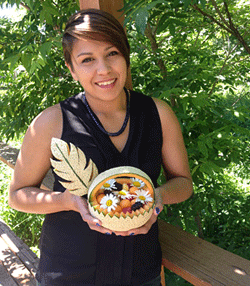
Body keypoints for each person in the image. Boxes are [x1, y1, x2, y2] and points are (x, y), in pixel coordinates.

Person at [8, 9, 193, 286]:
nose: (104, 69)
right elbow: (17, 195)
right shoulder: (51, 122)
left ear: (126, 56)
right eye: (87, 60)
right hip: (69, 274)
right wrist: (66, 201)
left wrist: (156, 198)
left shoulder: (158, 114)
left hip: (140, 273)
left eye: (112, 54)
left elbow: (183, 183)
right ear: (71, 69)